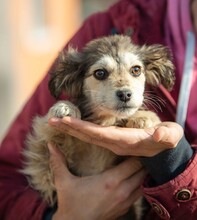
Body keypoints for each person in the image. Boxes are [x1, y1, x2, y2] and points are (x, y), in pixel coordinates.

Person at [0, 0, 197, 219]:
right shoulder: (106, 25)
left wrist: (173, 160)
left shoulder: (144, 114)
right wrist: (61, 215)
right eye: (102, 74)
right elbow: (7, 175)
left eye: (135, 70)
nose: (124, 88)